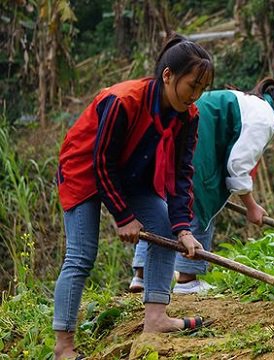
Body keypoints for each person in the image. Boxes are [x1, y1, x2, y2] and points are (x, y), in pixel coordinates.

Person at [52, 34, 214, 360]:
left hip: (132, 174)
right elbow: (101, 162)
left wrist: (184, 229)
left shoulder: (188, 116)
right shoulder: (124, 100)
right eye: (191, 85)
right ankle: (63, 348)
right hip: (84, 171)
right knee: (81, 256)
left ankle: (156, 319)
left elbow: (182, 174)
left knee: (165, 225)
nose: (195, 95)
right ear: (168, 75)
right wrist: (123, 216)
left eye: (201, 88)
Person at [129, 78, 274, 294]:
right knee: (199, 199)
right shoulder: (265, 118)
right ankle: (187, 279)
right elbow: (238, 165)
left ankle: (141, 276)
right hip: (194, 142)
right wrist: (251, 206)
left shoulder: (251, 104)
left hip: (174, 137)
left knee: (164, 204)